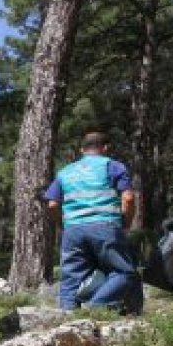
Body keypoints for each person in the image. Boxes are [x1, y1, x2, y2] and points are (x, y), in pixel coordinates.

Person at [43, 132, 139, 311]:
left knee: (71, 279)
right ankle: (97, 305)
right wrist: (126, 223)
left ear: (82, 150)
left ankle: (66, 321)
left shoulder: (65, 171)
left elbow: (52, 204)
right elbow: (128, 198)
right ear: (106, 148)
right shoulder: (112, 165)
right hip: (105, 226)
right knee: (124, 272)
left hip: (73, 230)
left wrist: (63, 225)